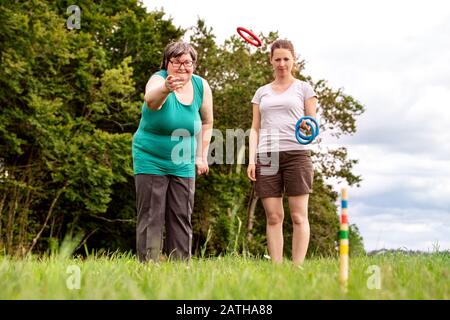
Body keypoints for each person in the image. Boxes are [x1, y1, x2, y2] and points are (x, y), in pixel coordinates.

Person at [132, 41, 213, 262]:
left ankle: (181, 268)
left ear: (194, 64)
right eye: (175, 61)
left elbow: (206, 122)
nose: (182, 66)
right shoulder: (158, 79)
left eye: (187, 62)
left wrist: (201, 156)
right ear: (167, 63)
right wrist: (166, 88)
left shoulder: (201, 86)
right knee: (151, 216)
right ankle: (148, 267)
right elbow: (151, 101)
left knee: (181, 216)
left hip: (184, 160)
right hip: (150, 157)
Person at [247, 39, 318, 265]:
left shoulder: (304, 89)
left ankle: (297, 268)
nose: (281, 63)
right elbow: (255, 128)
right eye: (277, 59)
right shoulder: (261, 93)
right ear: (271, 61)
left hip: (297, 154)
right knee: (274, 216)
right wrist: (251, 160)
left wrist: (307, 127)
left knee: (298, 216)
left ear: (293, 60)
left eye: (286, 59)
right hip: (267, 156)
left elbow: (312, 123)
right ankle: (277, 268)